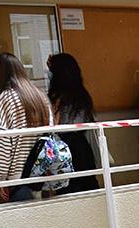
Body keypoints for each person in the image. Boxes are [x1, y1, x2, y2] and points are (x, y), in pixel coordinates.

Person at [0, 52, 51, 202]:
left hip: (19, 180)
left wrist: (2, 180)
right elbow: (51, 133)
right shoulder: (40, 96)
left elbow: (3, 145)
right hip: (44, 175)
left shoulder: (2, 101)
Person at [46, 53, 99, 195]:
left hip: (64, 148)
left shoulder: (56, 96)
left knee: (68, 190)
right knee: (88, 187)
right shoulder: (82, 94)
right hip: (83, 146)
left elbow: (54, 125)